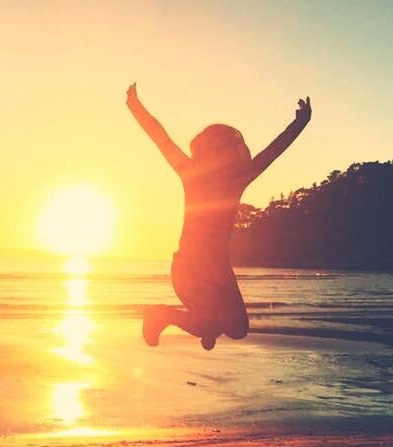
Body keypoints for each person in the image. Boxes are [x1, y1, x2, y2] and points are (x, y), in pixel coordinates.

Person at [126, 84, 311, 350]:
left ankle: (204, 328)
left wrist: (300, 123)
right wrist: (134, 105)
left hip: (218, 270)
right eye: (224, 148)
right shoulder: (193, 173)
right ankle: (164, 315)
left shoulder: (235, 177)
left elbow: (273, 151)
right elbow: (159, 136)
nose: (231, 153)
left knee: (238, 329)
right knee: (213, 325)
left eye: (231, 148)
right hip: (191, 268)